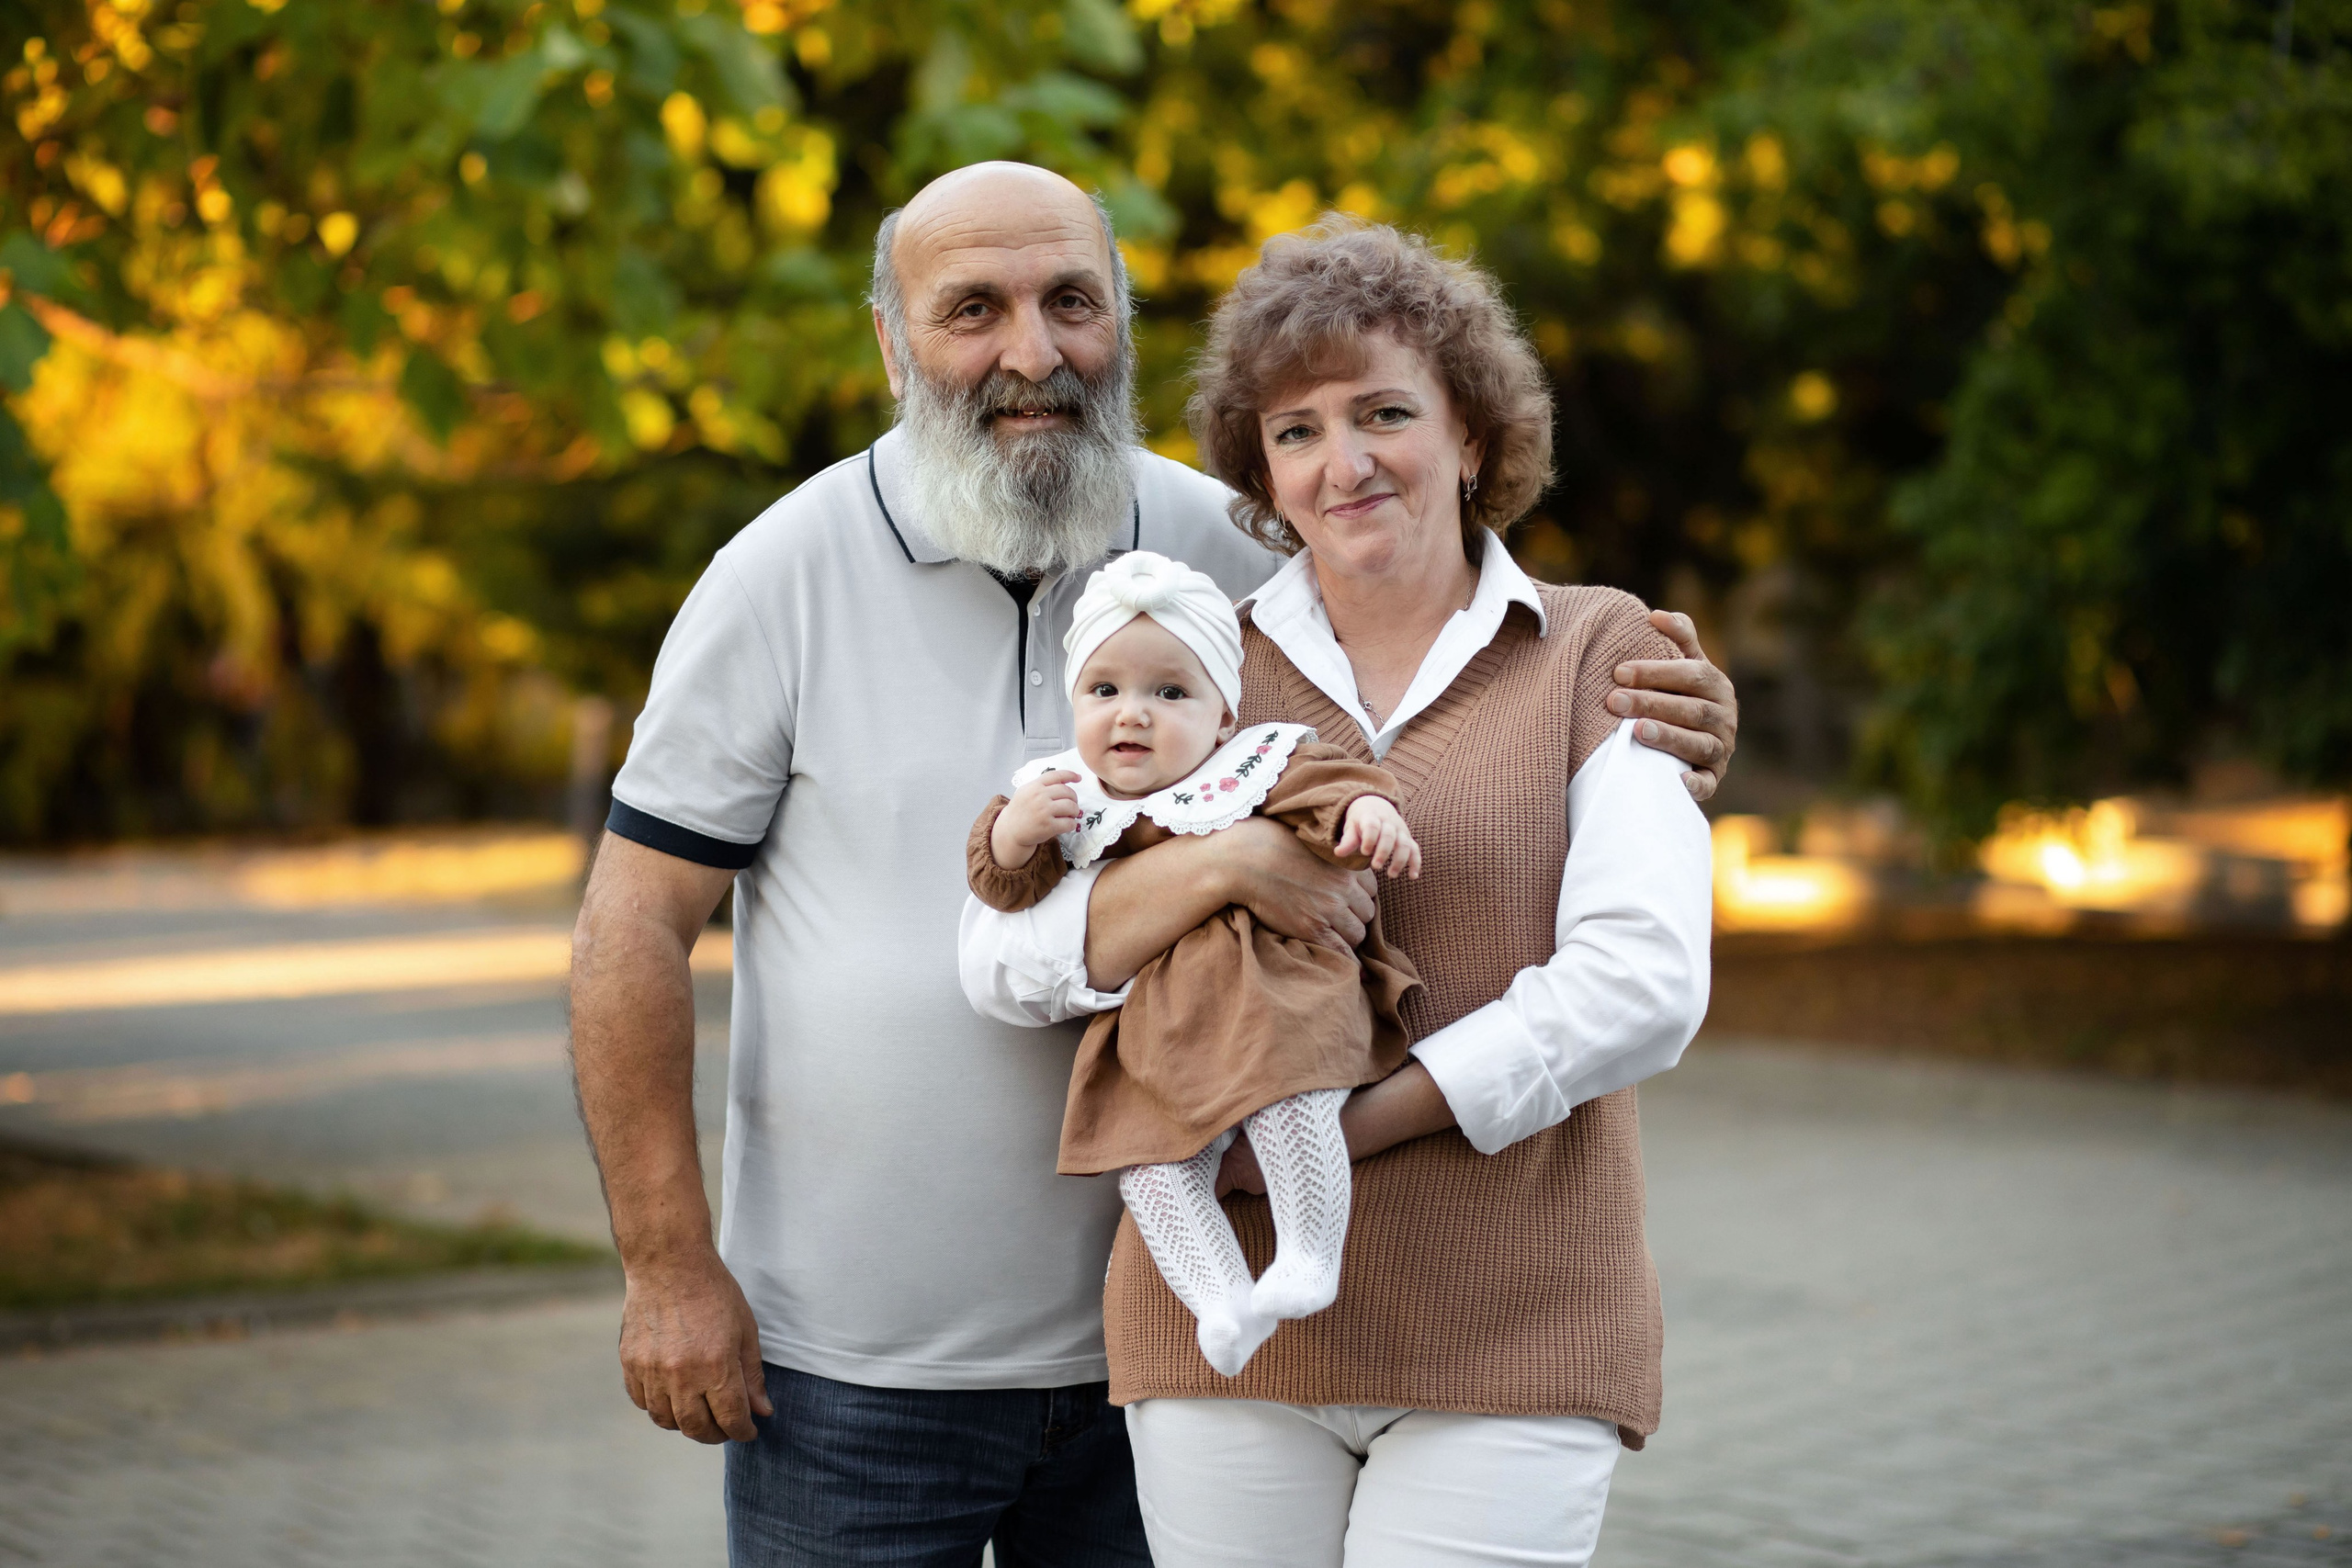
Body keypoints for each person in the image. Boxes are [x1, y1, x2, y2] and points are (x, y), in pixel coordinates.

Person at [568, 162, 1739, 1566]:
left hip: (1170, 1345)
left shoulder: (1221, 548)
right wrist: (667, 1268)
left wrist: (1669, 719)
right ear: (892, 343)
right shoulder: (778, 574)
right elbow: (636, 923)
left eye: (1073, 300)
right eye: (973, 310)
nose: (1032, 349)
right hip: (863, 1370)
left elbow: (1458, 648)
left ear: (1122, 316)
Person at [966, 216, 1714, 1567]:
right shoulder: (1196, 665)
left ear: (1474, 433)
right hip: (1222, 1319)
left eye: (1384, 413)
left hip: (1518, 1317)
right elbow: (1002, 956)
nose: (1344, 462)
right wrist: (1229, 863)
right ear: (1262, 467)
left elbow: (1643, 985)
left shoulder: (1596, 647)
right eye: (1297, 431)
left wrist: (1342, 1128)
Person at [966, 549, 1423, 1379]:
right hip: (1160, 1031)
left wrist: (1369, 814)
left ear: (1221, 717)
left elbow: (1338, 787)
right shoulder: (1069, 795)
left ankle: (1309, 1254)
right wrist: (1014, 830)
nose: (1131, 715)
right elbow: (1004, 888)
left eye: (1169, 692)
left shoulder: (1252, 766)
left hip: (1271, 996)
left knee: (1290, 1104)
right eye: (1104, 690)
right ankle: (1221, 1298)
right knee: (1149, 1165)